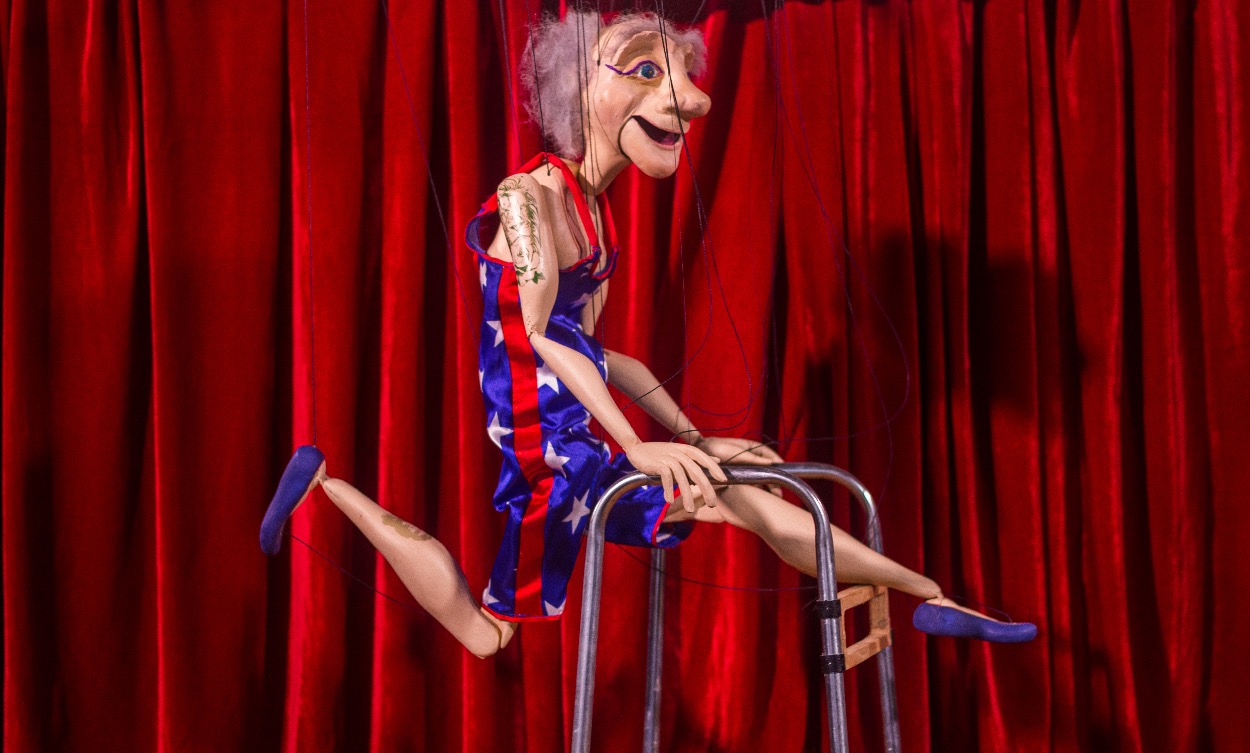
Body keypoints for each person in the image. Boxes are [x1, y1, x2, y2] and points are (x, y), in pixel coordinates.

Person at [259, 11, 1036, 658]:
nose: (692, 100)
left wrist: (691, 434)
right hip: (544, 444)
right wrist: (636, 446)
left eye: (683, 75)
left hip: (579, 432)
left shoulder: (596, 216)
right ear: (577, 88)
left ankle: (929, 593)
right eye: (644, 71)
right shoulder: (525, 199)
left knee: (738, 496)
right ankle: (327, 488)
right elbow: (542, 337)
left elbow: (602, 355)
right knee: (493, 633)